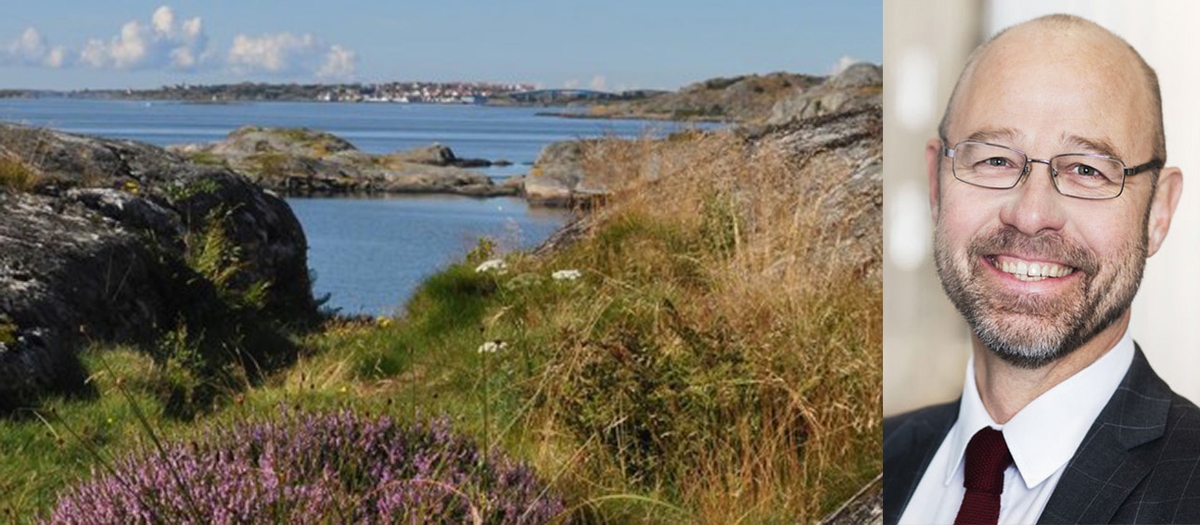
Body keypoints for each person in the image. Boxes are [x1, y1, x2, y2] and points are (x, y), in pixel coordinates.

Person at [884, 14, 1200, 525]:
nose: (1031, 216)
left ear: (1159, 213)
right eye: (994, 161)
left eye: (1086, 170)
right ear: (936, 184)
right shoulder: (881, 460)